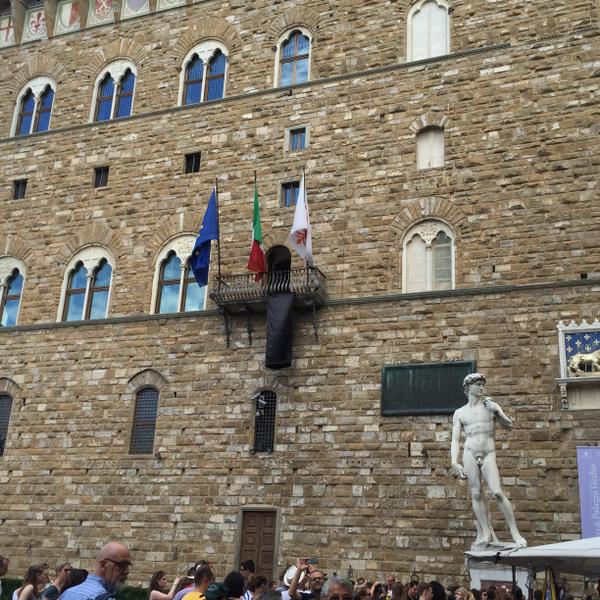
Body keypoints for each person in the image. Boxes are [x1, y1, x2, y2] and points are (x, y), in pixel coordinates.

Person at [451, 373, 527, 548]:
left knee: (497, 491)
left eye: (482, 384)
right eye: (478, 384)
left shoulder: (490, 406)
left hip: (488, 453)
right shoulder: (460, 413)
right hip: (469, 453)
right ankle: (485, 532)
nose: (481, 387)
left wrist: (498, 411)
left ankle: (515, 532)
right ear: (468, 387)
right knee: (476, 493)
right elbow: (455, 439)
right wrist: (454, 461)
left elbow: (509, 426)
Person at [61, 541, 132, 600]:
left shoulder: (67, 593)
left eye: (128, 566)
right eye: (122, 565)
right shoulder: (104, 598)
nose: (126, 571)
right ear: (103, 565)